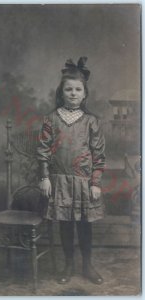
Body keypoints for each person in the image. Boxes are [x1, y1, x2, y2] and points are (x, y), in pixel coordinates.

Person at [37, 57, 106, 285]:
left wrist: (95, 182)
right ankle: (68, 264)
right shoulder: (51, 119)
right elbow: (43, 150)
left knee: (84, 225)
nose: (73, 93)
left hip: (84, 182)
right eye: (69, 89)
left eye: (78, 89)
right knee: (65, 224)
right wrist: (45, 177)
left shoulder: (91, 121)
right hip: (59, 181)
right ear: (62, 92)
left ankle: (87, 266)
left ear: (85, 94)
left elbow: (98, 154)